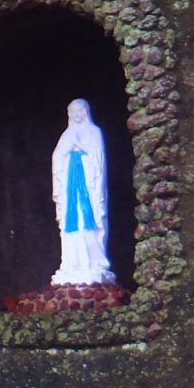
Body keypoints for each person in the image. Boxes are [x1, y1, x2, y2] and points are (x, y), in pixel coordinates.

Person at [50, 98, 116, 286]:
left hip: (88, 186)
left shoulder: (94, 132)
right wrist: (69, 150)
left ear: (85, 112)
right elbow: (57, 156)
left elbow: (98, 157)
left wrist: (81, 147)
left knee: (90, 219)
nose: (76, 115)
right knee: (73, 223)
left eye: (79, 111)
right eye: (72, 111)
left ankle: (94, 262)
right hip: (71, 187)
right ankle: (72, 264)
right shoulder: (67, 134)